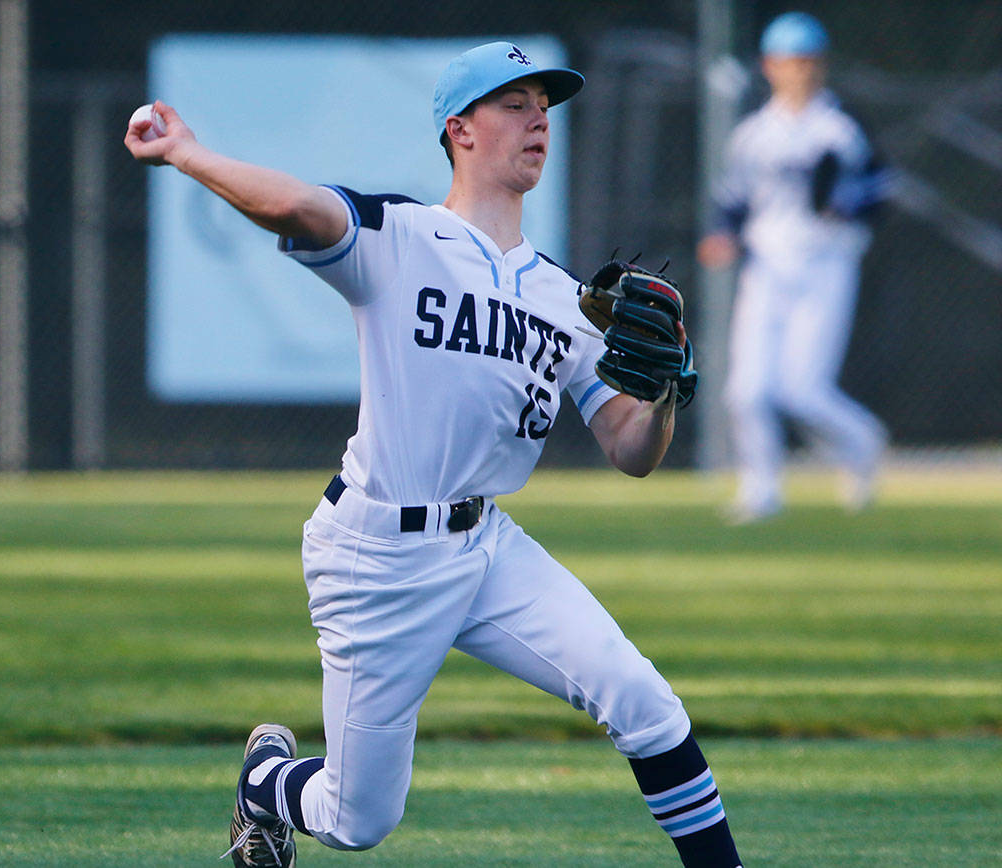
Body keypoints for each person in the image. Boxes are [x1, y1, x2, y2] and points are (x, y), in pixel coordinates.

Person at [126, 41, 743, 868]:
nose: (538, 120)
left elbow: (631, 449)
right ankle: (266, 784)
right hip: (377, 553)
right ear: (460, 129)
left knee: (645, 702)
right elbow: (297, 208)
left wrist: (663, 392)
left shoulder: (567, 299)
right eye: (514, 103)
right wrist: (189, 154)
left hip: (487, 547)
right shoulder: (401, 237)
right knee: (357, 820)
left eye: (544, 106)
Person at [698, 12, 890, 523]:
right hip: (767, 268)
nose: (799, 71)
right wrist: (722, 235)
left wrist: (844, 204)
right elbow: (733, 200)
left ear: (821, 65)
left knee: (803, 390)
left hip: (826, 266)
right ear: (769, 66)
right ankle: (760, 490)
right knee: (746, 390)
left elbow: (875, 190)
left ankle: (863, 443)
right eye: (789, 61)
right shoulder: (754, 134)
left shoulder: (841, 127)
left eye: (807, 61)